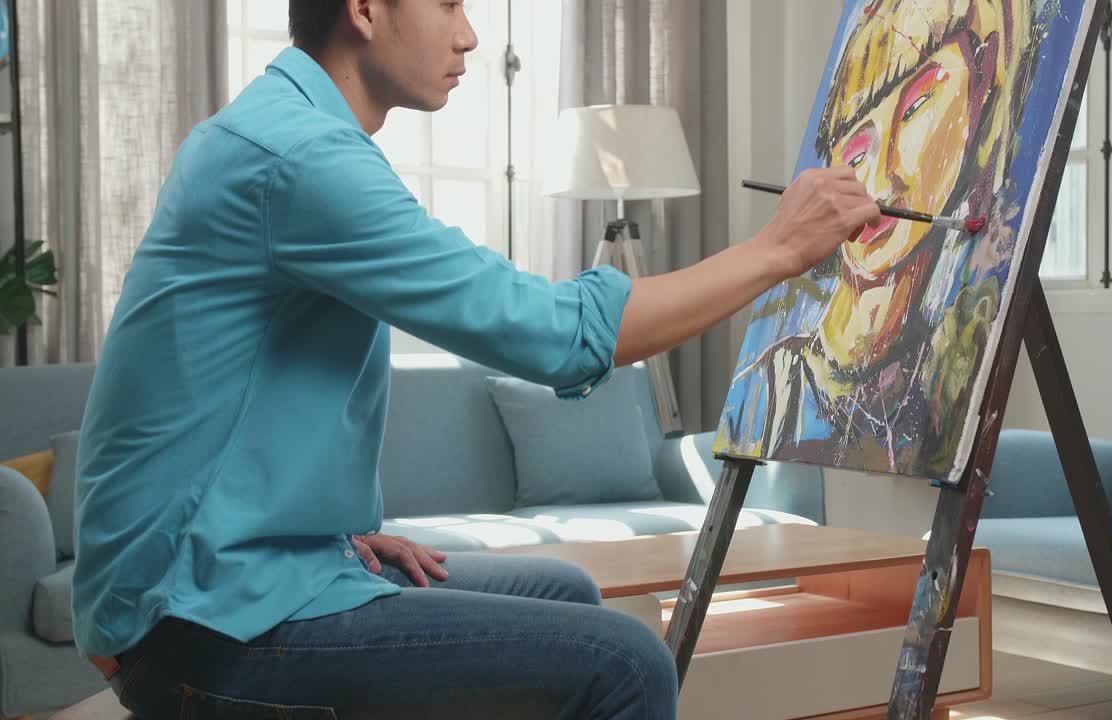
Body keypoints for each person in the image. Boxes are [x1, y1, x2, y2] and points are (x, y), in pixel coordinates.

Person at [70, 1, 879, 718]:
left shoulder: (281, 132)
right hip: (198, 627)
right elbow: (555, 337)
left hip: (238, 577)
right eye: (450, 3)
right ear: (363, 9)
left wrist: (327, 536)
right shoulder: (298, 158)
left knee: (566, 590)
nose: (469, 35)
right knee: (625, 663)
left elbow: (229, 403)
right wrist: (777, 249)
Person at [715, 0, 1039, 479]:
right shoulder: (769, 393)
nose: (882, 174)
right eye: (857, 145)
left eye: (917, 108)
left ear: (982, 105)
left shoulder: (942, 362)